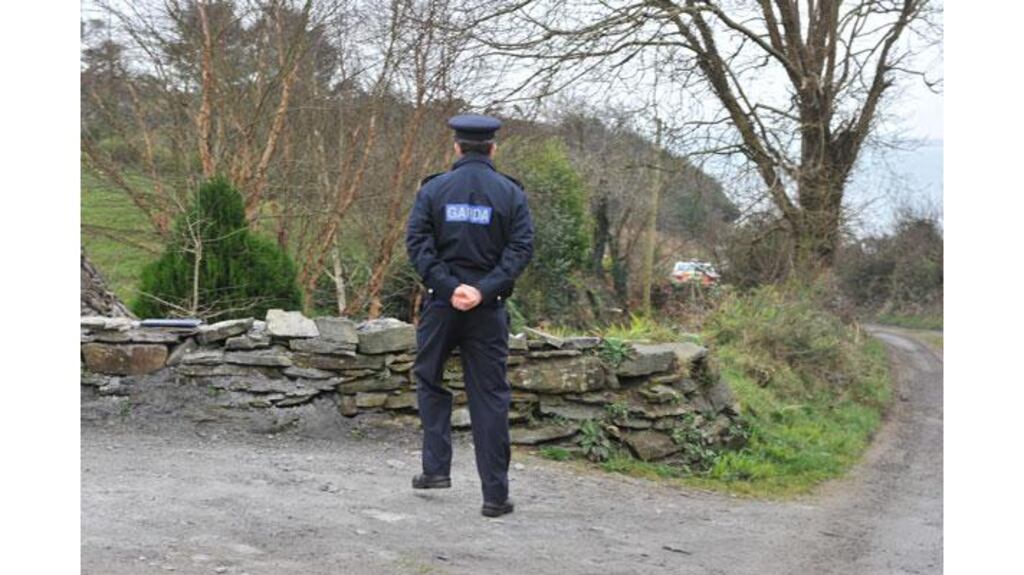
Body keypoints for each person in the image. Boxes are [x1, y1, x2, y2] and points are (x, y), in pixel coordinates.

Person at [405, 113, 534, 518]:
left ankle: (436, 469)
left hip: (441, 305)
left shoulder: (433, 190)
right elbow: (520, 249)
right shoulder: (511, 194)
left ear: (456, 147)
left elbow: (418, 243)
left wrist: (448, 287)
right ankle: (495, 496)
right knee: (490, 398)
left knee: (429, 379)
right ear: (493, 148)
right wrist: (483, 289)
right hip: (488, 309)